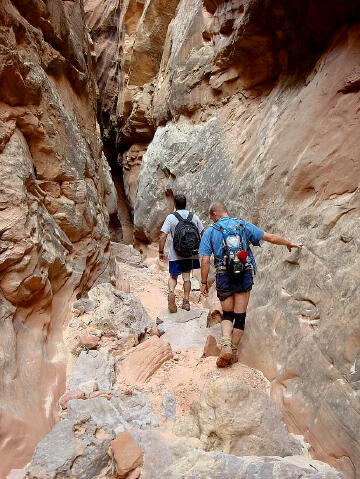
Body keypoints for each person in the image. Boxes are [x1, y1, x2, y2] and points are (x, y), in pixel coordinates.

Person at [199, 201, 302, 367]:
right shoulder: (242, 225)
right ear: (225, 211)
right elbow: (270, 237)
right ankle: (232, 352)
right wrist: (288, 243)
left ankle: (225, 344)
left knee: (228, 314)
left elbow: (205, 260)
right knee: (240, 316)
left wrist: (203, 282)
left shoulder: (210, 231)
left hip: (223, 274)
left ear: (213, 215)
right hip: (243, 273)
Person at [159, 194, 204, 313]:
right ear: (185, 203)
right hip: (190, 253)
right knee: (186, 278)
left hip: (176, 254)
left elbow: (163, 235)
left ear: (175, 204)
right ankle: (186, 301)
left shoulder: (171, 218)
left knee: (173, 277)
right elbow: (202, 233)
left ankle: (171, 293)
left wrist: (160, 251)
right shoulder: (194, 217)